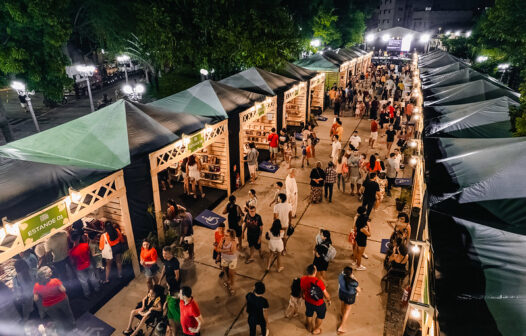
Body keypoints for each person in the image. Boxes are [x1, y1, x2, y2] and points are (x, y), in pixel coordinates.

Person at [33, 267, 75, 332]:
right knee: (68, 313)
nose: (51, 272)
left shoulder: (36, 285)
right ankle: (73, 326)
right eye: (50, 272)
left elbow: (36, 299)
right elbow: (63, 290)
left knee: (57, 320)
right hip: (62, 300)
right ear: (46, 275)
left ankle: (62, 332)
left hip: (49, 306)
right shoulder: (55, 281)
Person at [300, 264, 331, 335]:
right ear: (315, 272)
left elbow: (302, 289)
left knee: (309, 314)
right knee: (320, 316)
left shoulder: (303, 279)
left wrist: (302, 295)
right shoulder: (319, 282)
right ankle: (316, 329)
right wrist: (329, 300)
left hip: (308, 301)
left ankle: (309, 327)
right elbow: (326, 295)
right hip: (319, 304)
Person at [69, 232, 100, 297]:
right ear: (79, 238)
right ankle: (97, 288)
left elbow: (72, 262)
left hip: (79, 267)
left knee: (83, 281)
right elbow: (89, 254)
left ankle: (87, 293)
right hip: (88, 264)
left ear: (71, 240)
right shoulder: (85, 245)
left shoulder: (71, 251)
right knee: (92, 277)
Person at [337, 267, 361, 334]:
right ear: (351, 274)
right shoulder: (353, 282)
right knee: (347, 310)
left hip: (341, 293)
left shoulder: (340, 276)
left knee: (342, 305)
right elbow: (359, 290)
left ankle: (342, 316)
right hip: (349, 297)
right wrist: (355, 279)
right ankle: (342, 327)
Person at [220, 229, 238, 295]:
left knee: (231, 274)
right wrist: (227, 250)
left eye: (227, 235)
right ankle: (228, 281)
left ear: (231, 237)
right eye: (225, 235)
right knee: (226, 272)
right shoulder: (223, 240)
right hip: (224, 259)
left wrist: (222, 250)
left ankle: (232, 286)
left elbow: (232, 252)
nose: (225, 236)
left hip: (232, 260)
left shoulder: (233, 242)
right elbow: (218, 248)